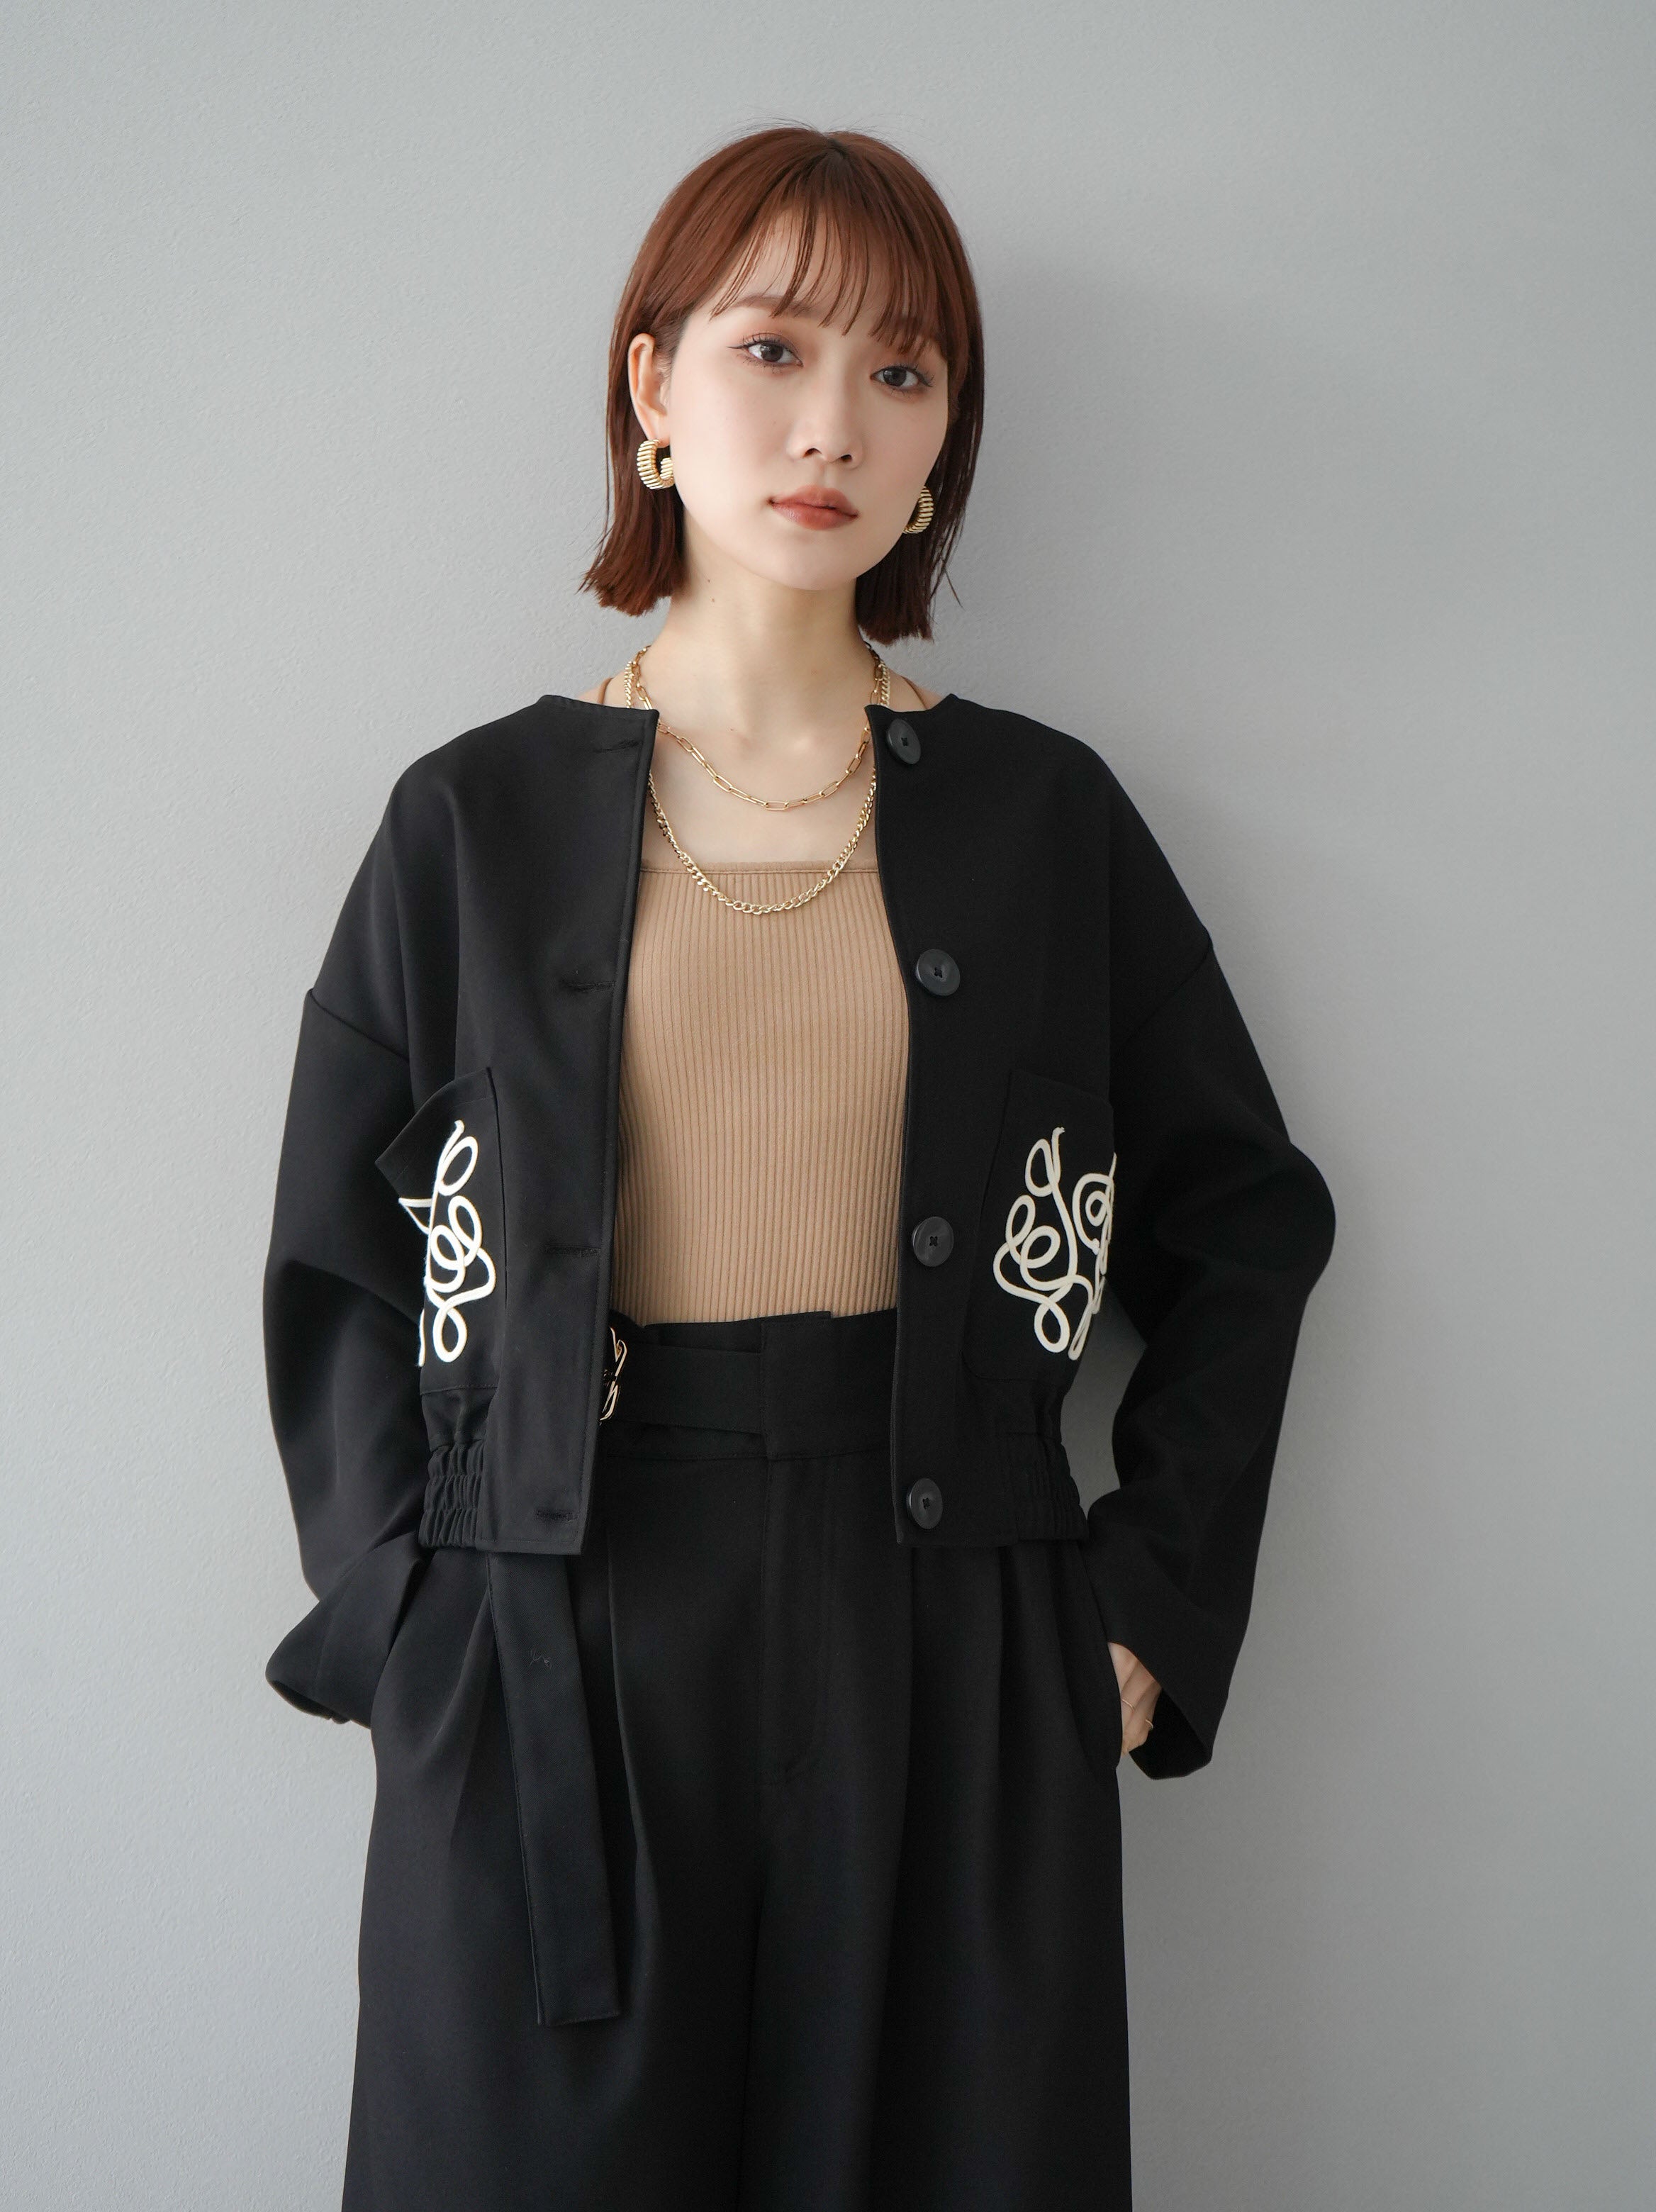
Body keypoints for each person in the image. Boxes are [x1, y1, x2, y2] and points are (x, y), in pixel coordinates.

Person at [262, 123, 1336, 2211]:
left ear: (942, 444)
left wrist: (1143, 1608)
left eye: (901, 370)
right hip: (552, 1638)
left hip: (953, 1634)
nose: (834, 421)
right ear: (653, 389)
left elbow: (1245, 1222)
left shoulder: (1042, 822)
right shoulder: (471, 825)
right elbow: (337, 1268)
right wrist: (412, 1623)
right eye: (771, 349)